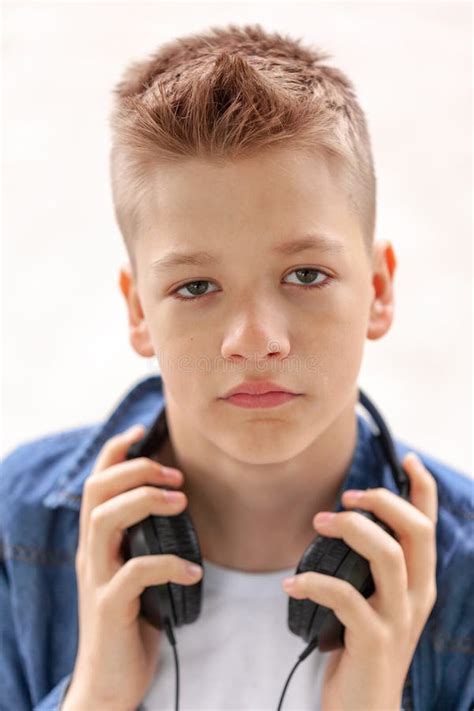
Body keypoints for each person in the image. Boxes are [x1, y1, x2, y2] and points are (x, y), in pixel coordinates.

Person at [1, 23, 472, 711]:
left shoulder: (463, 573)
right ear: (138, 312)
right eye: (195, 287)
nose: (255, 340)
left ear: (378, 288)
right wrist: (92, 696)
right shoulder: (18, 529)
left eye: (305, 274)